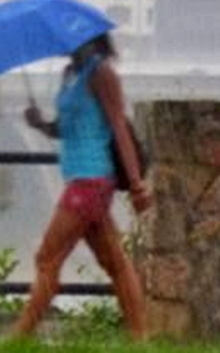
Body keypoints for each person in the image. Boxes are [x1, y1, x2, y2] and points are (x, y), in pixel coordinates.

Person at [12, 32, 150, 339]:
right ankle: (141, 339)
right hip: (81, 179)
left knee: (47, 258)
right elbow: (67, 128)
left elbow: (119, 126)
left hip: (91, 180)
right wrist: (41, 124)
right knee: (115, 263)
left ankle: (18, 339)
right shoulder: (69, 74)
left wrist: (137, 185)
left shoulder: (102, 73)